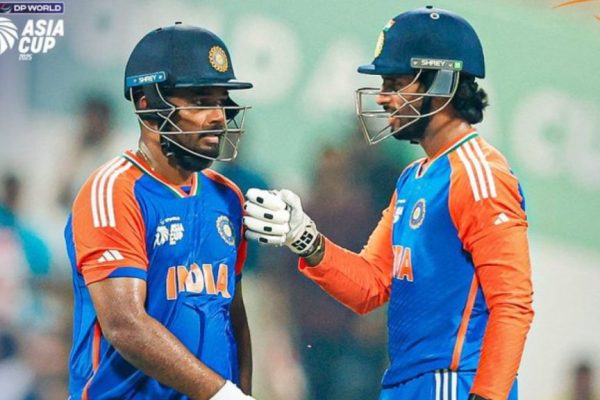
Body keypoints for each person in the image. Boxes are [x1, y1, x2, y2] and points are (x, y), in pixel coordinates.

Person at [243, 6, 534, 400]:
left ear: (442, 84)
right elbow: (370, 286)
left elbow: (512, 303)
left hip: (453, 385)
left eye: (396, 83)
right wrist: (304, 237)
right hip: (406, 384)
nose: (382, 98)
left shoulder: (480, 176)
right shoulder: (413, 178)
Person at [65, 23, 256, 400]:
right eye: (201, 100)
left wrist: (242, 391)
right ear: (147, 104)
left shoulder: (227, 196)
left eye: (222, 101)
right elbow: (125, 326)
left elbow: (231, 314)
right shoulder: (114, 190)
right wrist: (223, 394)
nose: (219, 117)